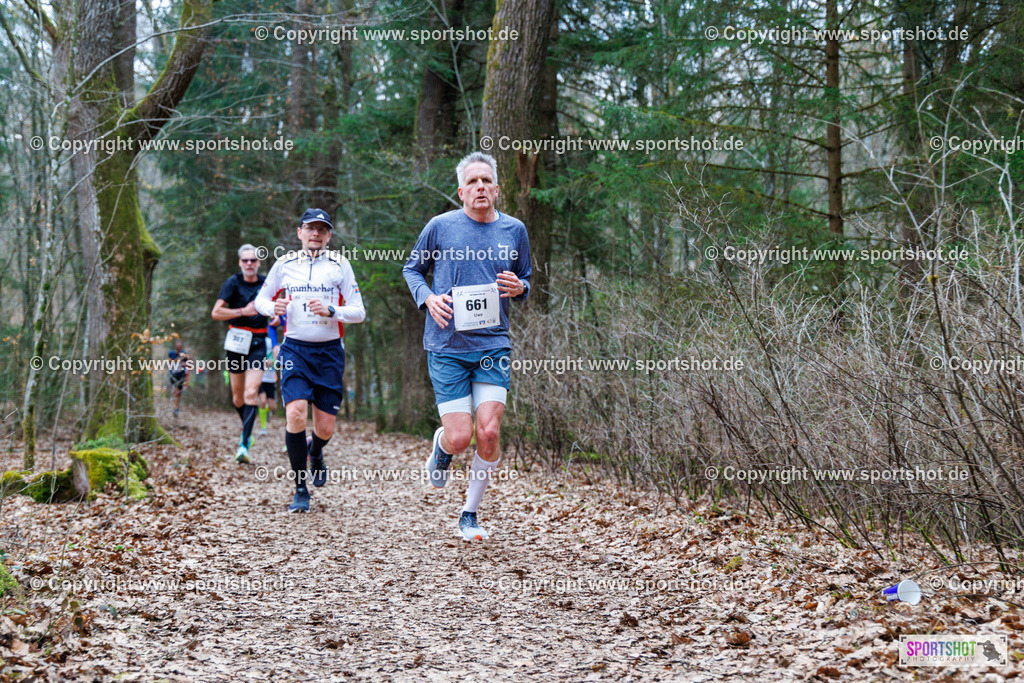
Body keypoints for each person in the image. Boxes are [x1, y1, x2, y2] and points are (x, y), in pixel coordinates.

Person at [402, 152, 531, 541]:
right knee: (461, 437)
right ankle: (443, 449)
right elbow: (412, 269)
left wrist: (520, 287)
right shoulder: (440, 226)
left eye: (486, 181)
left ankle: (469, 514)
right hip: (447, 345)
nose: (480, 187)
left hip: (493, 345)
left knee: (488, 433)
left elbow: (525, 279)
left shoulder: (514, 230)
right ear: (461, 192)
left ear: (497, 189)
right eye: (472, 182)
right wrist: (428, 298)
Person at [255, 209, 366, 513]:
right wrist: (273, 308)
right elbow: (260, 300)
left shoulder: (340, 264)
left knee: (325, 428)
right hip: (294, 350)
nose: (315, 234)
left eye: (322, 229)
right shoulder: (285, 264)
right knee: (295, 414)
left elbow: (359, 311)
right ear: (299, 232)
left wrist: (333, 311)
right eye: (310, 228)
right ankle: (300, 489)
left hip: (329, 353)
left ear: (328, 235)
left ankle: (315, 451)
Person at [212, 244, 272, 463]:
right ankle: (248, 431)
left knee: (251, 392)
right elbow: (216, 312)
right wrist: (242, 311)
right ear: (240, 262)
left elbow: (278, 306)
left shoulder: (267, 283)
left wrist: (276, 316)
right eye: (245, 260)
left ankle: (244, 444)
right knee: (238, 397)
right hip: (236, 342)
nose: (249, 264)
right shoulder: (233, 282)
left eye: (253, 260)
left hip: (258, 343)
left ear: (258, 263)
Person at [258, 333, 278, 435]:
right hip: (260, 377)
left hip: (270, 379)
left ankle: (267, 412)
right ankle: (263, 427)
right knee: (262, 401)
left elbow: (279, 358)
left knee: (272, 406)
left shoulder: (272, 343)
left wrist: (272, 361)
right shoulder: (257, 341)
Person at [167, 339, 190, 417]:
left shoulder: (184, 354)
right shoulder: (171, 353)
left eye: (180, 345)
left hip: (181, 374)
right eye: (177, 345)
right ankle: (175, 407)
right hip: (174, 374)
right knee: (175, 390)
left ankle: (177, 407)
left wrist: (184, 365)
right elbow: (169, 363)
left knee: (179, 392)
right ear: (175, 346)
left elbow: (188, 364)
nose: (179, 347)